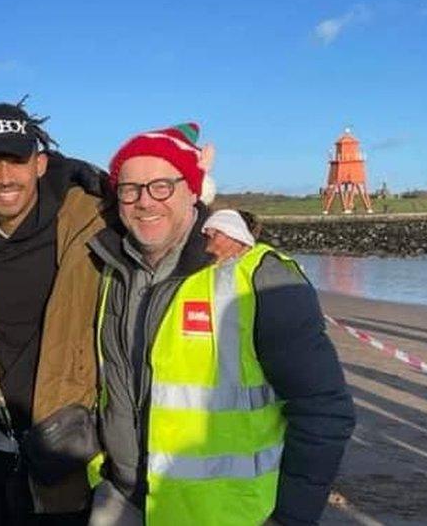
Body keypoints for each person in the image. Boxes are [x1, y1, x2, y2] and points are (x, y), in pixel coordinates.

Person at [88, 123, 356, 526]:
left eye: (161, 185)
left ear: (193, 190)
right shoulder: (111, 270)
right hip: (123, 500)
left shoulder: (259, 275)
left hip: (227, 514)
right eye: (130, 189)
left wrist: (290, 518)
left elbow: (325, 409)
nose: (145, 201)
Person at [0, 99, 111, 524]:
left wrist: (222, 232)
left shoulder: (94, 219)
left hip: (67, 445)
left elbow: (163, 223)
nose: (4, 178)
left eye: (15, 161)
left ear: (39, 164)